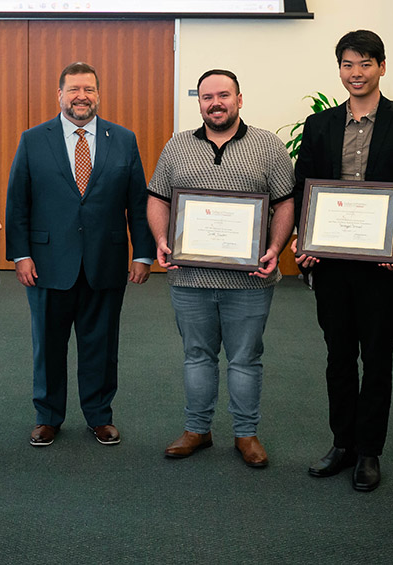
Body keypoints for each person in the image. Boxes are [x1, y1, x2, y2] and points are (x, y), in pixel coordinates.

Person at [291, 30, 393, 491]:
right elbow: (304, 185)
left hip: (383, 265)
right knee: (338, 357)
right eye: (348, 65)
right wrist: (304, 236)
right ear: (340, 70)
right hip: (331, 263)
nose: (356, 73)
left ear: (382, 67)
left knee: (376, 359)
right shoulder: (319, 125)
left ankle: (369, 451)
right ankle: (342, 444)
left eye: (365, 64)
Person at [146, 69, 294, 467]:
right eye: (208, 96)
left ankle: (246, 435)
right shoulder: (177, 147)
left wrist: (276, 247)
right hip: (189, 278)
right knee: (197, 355)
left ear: (239, 99)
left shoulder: (268, 146)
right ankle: (198, 429)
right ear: (200, 102)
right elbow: (158, 199)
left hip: (250, 280)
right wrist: (161, 239)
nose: (216, 102)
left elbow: (285, 202)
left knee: (245, 358)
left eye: (224, 95)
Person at [5, 61, 153, 447]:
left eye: (88, 89)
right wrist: (20, 254)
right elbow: (18, 203)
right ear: (59, 95)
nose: (81, 96)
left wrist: (143, 254)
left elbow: (137, 203)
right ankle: (48, 416)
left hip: (105, 261)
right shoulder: (33, 139)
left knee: (101, 346)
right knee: (48, 346)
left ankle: (100, 416)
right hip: (48, 264)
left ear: (98, 94)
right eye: (73, 89)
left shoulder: (123, 139)